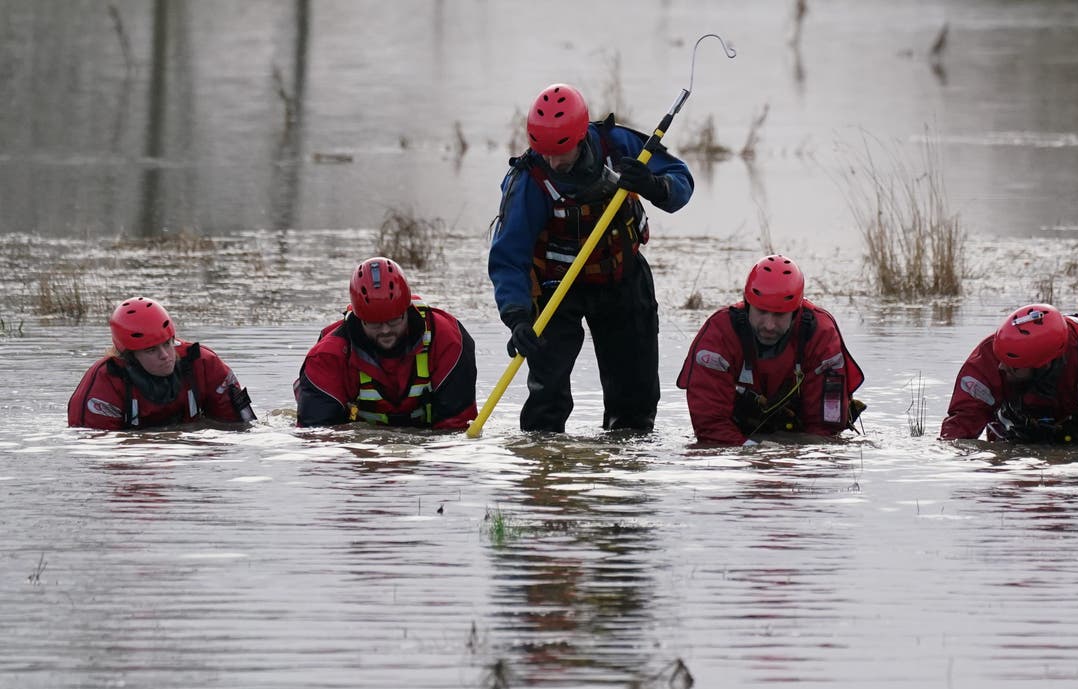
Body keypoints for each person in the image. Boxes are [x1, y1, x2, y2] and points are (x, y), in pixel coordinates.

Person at [487, 82, 695, 432]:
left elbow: (681, 183)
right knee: (547, 399)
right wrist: (517, 317)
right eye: (545, 152)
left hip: (623, 280)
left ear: (581, 136)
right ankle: (545, 473)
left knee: (635, 400)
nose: (553, 162)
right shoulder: (528, 179)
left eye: (561, 152)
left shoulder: (621, 146)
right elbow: (509, 257)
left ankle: (624, 470)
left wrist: (652, 185)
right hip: (555, 289)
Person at [676, 255, 866, 446]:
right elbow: (709, 427)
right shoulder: (719, 335)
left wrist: (788, 459)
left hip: (800, 438)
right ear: (747, 304)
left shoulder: (820, 335)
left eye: (779, 315)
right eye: (761, 312)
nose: (769, 325)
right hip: (737, 438)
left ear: (796, 313)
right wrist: (753, 451)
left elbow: (826, 431)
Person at [294, 257, 477, 429]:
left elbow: (457, 429)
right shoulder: (327, 357)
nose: (385, 330)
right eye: (374, 323)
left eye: (394, 320)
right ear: (360, 319)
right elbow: (318, 440)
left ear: (406, 310)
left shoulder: (448, 339)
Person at [940, 303, 1078, 447]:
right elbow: (961, 425)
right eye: (1002, 359)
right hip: (1014, 428)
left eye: (1014, 367)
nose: (1002, 367)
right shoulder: (991, 354)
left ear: (1044, 365)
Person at [68, 297, 256, 430]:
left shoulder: (204, 364)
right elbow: (95, 451)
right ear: (129, 356)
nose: (165, 356)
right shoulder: (103, 385)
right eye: (151, 350)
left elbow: (240, 426)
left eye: (167, 344)